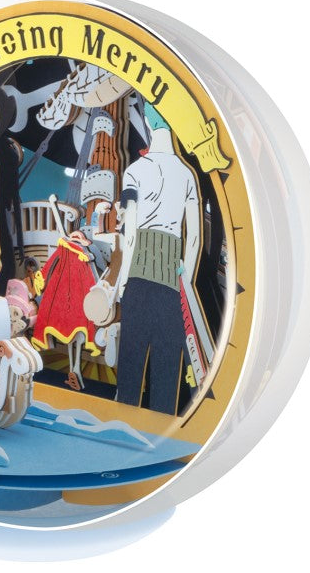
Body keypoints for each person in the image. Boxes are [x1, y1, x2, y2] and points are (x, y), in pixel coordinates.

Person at [116, 104, 200, 415]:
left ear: (149, 125)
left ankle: (121, 431)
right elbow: (193, 238)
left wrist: (122, 283)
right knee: (166, 378)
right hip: (171, 284)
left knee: (129, 372)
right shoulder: (187, 175)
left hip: (138, 276)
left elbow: (130, 234)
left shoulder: (135, 171)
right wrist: (185, 282)